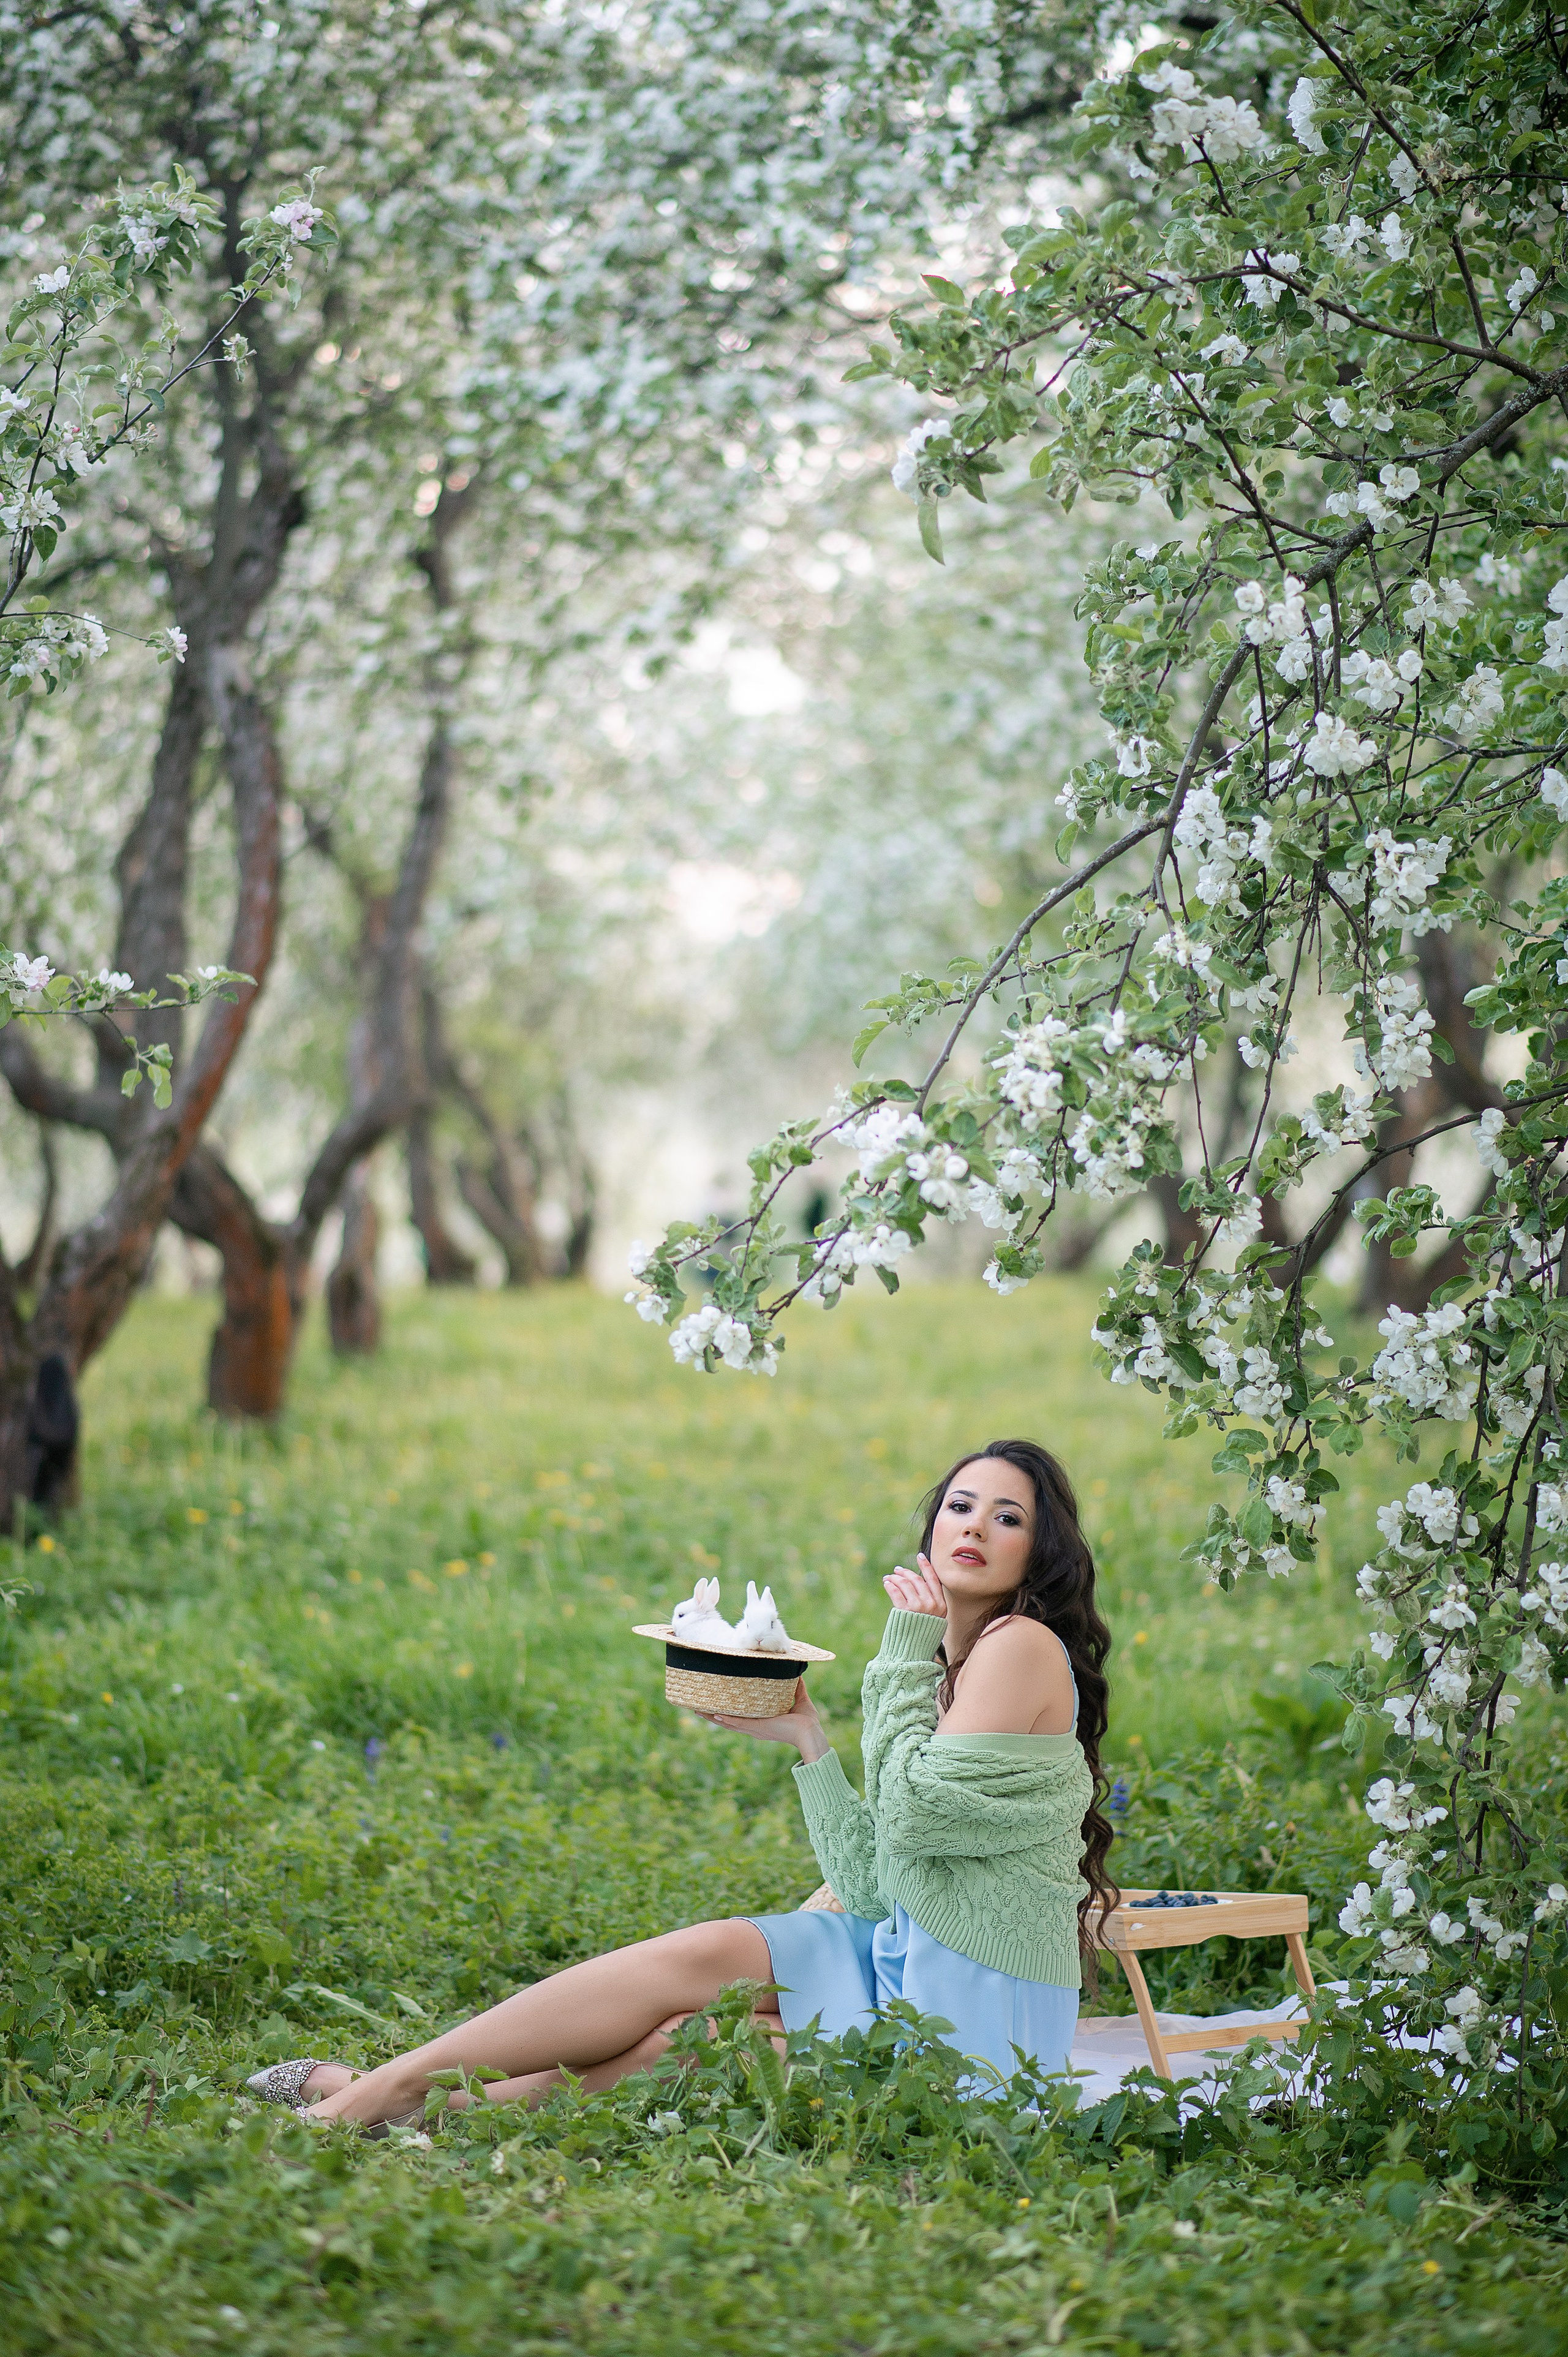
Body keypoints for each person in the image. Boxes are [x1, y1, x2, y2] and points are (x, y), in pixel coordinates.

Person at [251, 1438, 1115, 2127]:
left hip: (970, 2013)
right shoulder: (954, 1659)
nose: (974, 1527)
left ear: (1038, 1552)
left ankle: (378, 2099)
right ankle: (395, 2096)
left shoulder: (1018, 1648)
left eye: (1008, 1517)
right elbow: (874, 1885)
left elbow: (917, 1817)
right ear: (931, 1530)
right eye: (960, 1507)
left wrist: (899, 1655)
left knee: (704, 2048)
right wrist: (808, 1735)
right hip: (902, 1956)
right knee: (700, 1985)